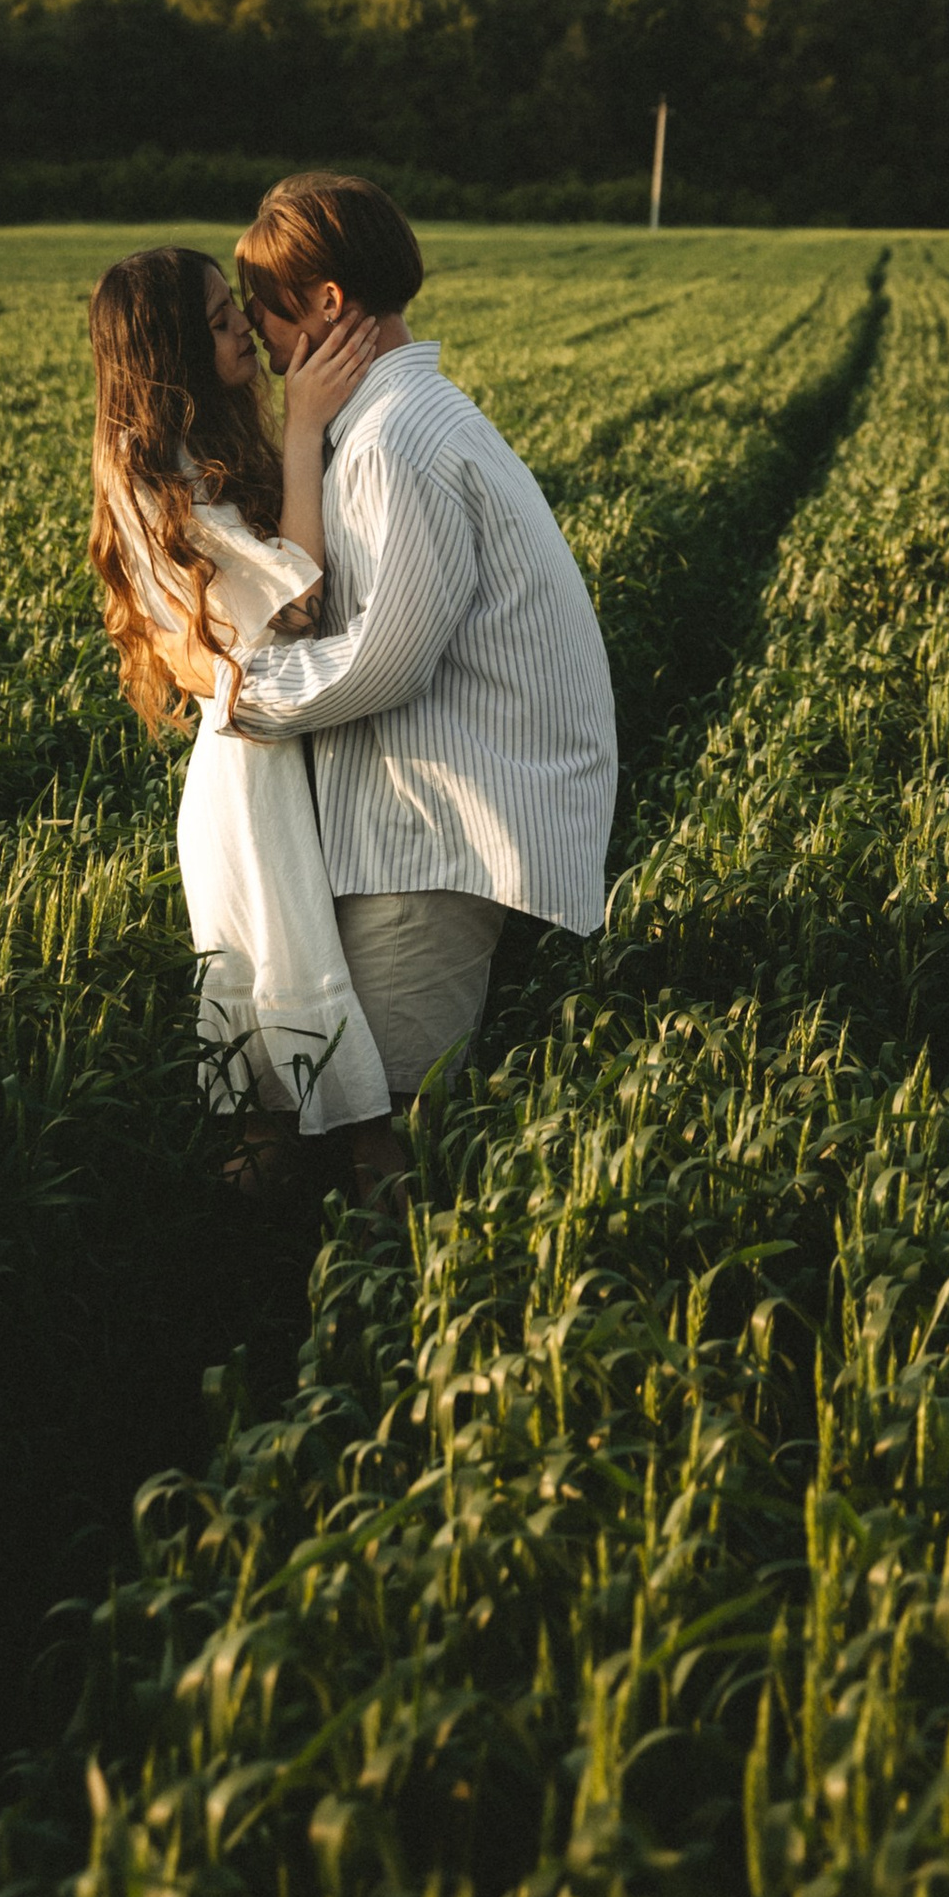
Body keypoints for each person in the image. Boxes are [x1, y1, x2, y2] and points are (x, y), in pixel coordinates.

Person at [222, 171, 618, 1194]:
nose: (258, 332)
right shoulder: (401, 420)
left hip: (442, 819)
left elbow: (387, 659)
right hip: (429, 804)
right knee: (347, 1100)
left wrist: (237, 692)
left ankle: (408, 1286)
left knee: (393, 1128)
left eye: (264, 305)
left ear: (325, 303)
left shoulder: (395, 442)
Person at [84, 243, 403, 1197]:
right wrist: (305, 429)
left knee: (291, 950)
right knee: (283, 948)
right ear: (174, 350)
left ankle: (306, 1187)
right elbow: (295, 605)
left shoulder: (202, 443)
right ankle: (335, 1186)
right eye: (222, 320)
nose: (245, 333)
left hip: (274, 736)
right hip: (251, 766)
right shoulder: (151, 473)